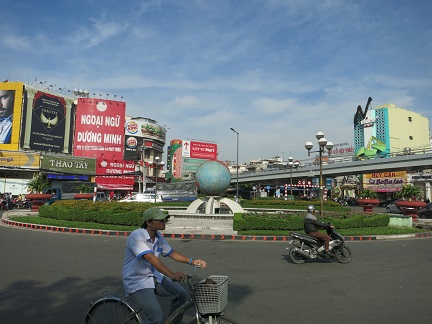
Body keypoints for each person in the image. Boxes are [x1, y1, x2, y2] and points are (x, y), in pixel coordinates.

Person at [122, 207, 207, 324]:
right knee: (155, 318)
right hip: (138, 281)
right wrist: (172, 274)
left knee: (180, 294)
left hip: (154, 277)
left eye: (164, 220)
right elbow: (150, 257)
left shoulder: (158, 236)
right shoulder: (136, 236)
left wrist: (192, 261)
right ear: (149, 223)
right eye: (160, 220)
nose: (164, 222)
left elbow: (171, 252)